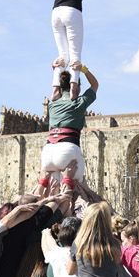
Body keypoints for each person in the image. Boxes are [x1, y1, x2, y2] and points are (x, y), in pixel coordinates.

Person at [39, 64, 98, 197]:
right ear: (77, 86)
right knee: (81, 188)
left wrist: (57, 71)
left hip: (47, 152)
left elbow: (55, 90)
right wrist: (83, 69)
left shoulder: (52, 104)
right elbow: (95, 85)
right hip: (68, 150)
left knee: (52, 187)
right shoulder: (79, 102)